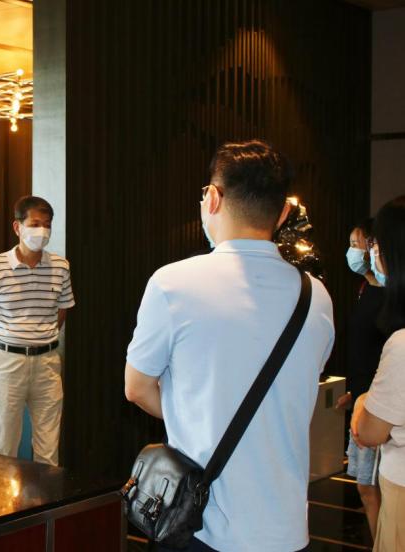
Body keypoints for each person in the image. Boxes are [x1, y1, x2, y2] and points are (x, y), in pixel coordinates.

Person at [124, 140, 334, 552]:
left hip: (201, 528)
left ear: (213, 199)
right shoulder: (316, 296)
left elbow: (136, 388)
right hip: (287, 529)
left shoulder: (172, 283)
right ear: (284, 212)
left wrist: (198, 413)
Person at [0, 195, 74, 466]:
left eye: (47, 224)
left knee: (48, 449)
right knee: (5, 447)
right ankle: (5, 495)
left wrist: (41, 337)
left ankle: (46, 494)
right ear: (18, 227)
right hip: (7, 360)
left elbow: (62, 310)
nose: (42, 230)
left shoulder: (61, 266)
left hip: (48, 361)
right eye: (35, 224)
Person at [351, 195, 405, 552]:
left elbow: (369, 431)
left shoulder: (401, 346)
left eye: (377, 247)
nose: (373, 255)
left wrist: (362, 401)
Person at [337, 218, 387, 538]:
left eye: (356, 245)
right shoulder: (365, 289)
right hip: (362, 399)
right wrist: (353, 391)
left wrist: (365, 395)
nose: (352, 252)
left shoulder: (391, 296)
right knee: (366, 488)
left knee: (372, 487)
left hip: (378, 405)